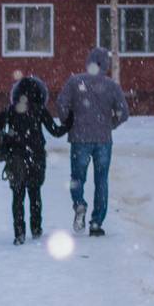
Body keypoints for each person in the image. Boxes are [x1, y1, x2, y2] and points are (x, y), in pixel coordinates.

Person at [57, 47, 128, 237]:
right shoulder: (111, 86)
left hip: (80, 138)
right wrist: (110, 124)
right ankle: (96, 223)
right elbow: (123, 112)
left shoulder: (75, 81)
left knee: (77, 177)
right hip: (103, 139)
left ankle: (79, 203)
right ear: (106, 64)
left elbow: (61, 104)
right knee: (101, 180)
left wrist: (68, 122)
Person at [0, 76, 68, 245]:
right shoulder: (40, 110)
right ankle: (36, 228)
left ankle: (19, 233)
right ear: (40, 94)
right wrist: (70, 121)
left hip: (15, 158)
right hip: (36, 157)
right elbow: (56, 131)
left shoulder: (10, 110)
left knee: (17, 196)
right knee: (35, 193)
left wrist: (7, 136)